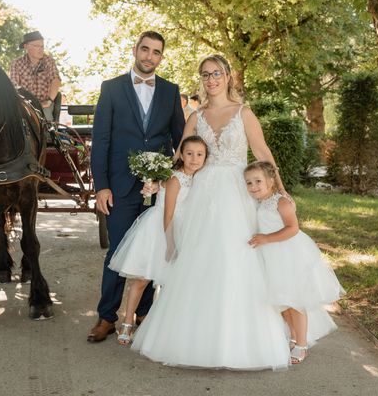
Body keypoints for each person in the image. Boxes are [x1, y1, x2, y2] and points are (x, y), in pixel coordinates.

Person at [132, 54, 290, 370]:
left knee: (237, 257)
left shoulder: (244, 113)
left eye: (216, 73)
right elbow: (181, 157)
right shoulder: (196, 116)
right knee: (198, 256)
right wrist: (159, 182)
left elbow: (261, 152)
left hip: (237, 193)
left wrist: (280, 190)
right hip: (201, 195)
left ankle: (239, 339)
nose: (211, 79)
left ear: (228, 76)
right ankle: (191, 337)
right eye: (205, 74)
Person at [89, 31, 185, 343]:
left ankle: (144, 313)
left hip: (156, 188)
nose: (149, 56)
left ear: (161, 57)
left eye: (156, 52)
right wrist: (101, 186)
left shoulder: (170, 92)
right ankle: (106, 317)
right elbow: (101, 140)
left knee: (152, 250)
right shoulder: (112, 88)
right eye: (145, 49)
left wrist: (166, 177)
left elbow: (179, 141)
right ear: (135, 50)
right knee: (117, 251)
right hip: (119, 186)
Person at [109, 135, 208, 345]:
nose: (194, 159)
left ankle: (165, 324)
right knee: (143, 279)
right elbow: (168, 215)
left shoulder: (198, 178)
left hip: (182, 230)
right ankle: (127, 322)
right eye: (189, 153)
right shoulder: (175, 178)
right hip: (160, 231)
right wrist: (171, 244)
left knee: (174, 281)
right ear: (181, 154)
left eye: (200, 154)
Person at [244, 160, 345, 364]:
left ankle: (302, 344)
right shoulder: (260, 202)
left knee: (295, 301)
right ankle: (292, 336)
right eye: (249, 183)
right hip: (270, 257)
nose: (253, 187)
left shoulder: (281, 202)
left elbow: (293, 228)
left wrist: (266, 238)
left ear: (271, 181)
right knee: (282, 302)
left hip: (288, 254)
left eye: (258, 181)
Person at [9, 31, 61, 121]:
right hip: (24, 106)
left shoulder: (48, 61)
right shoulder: (17, 63)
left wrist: (49, 101)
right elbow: (14, 86)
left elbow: (55, 80)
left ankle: (49, 134)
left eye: (42, 46)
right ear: (26, 46)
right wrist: (24, 104)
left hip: (44, 104)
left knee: (46, 124)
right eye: (37, 46)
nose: (41, 49)